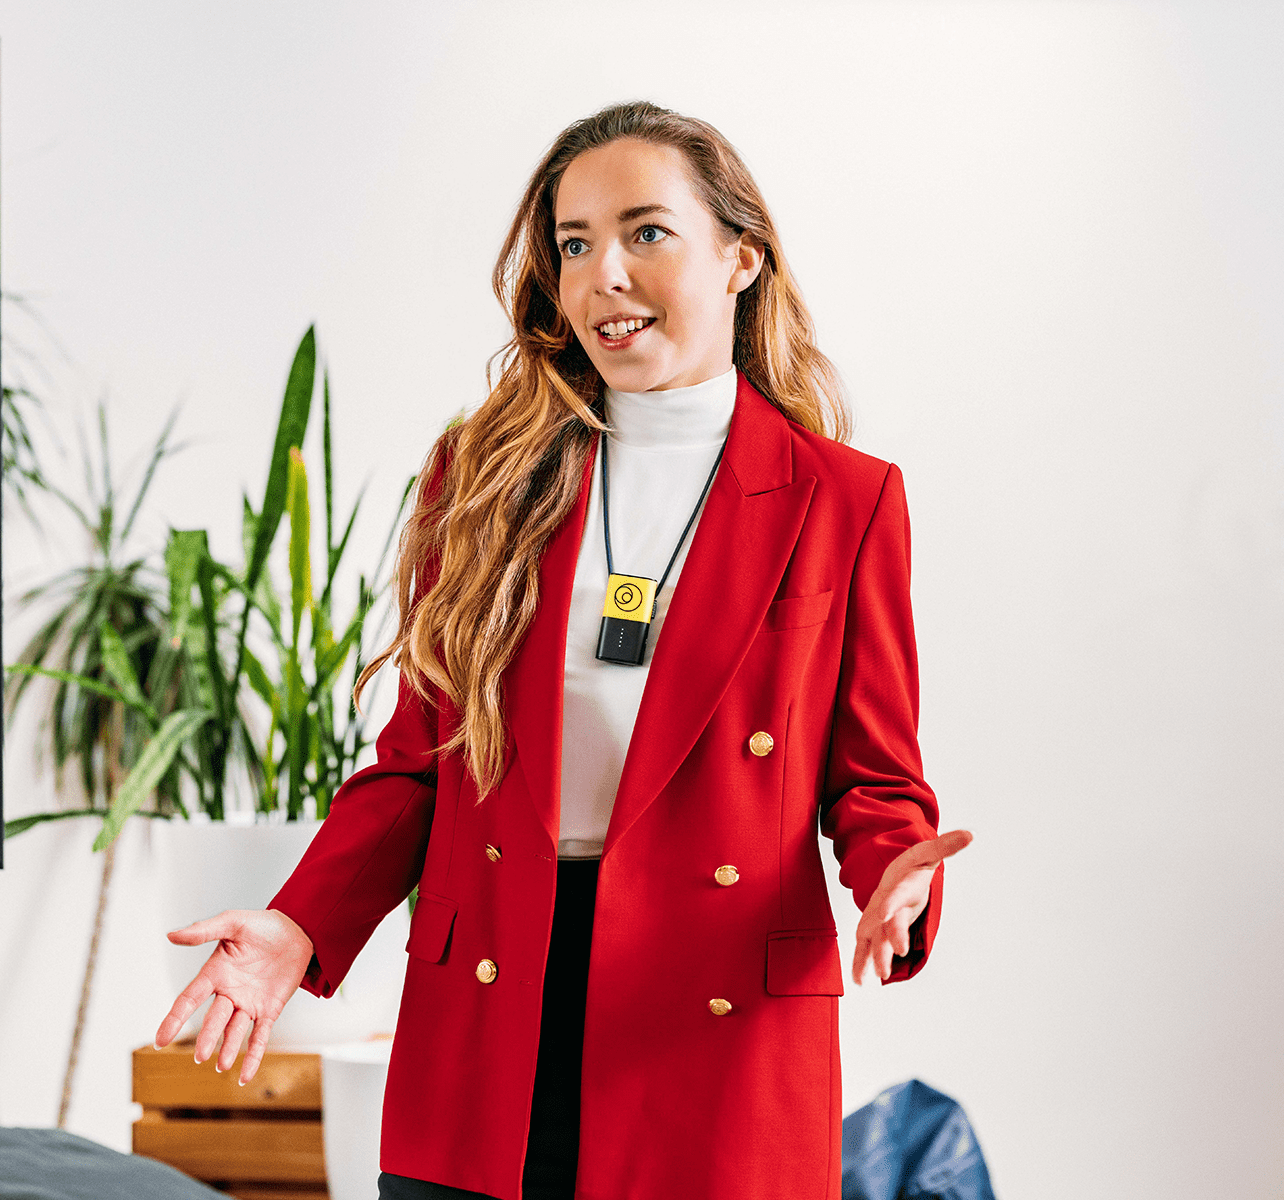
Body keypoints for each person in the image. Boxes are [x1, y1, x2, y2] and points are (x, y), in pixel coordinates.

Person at [154, 100, 974, 1200]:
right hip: (497, 988)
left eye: (645, 233)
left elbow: (871, 777)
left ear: (740, 257)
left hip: (714, 1022)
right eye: (574, 244)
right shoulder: (485, 477)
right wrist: (300, 923)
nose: (602, 276)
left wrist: (894, 874)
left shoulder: (845, 499)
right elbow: (419, 764)